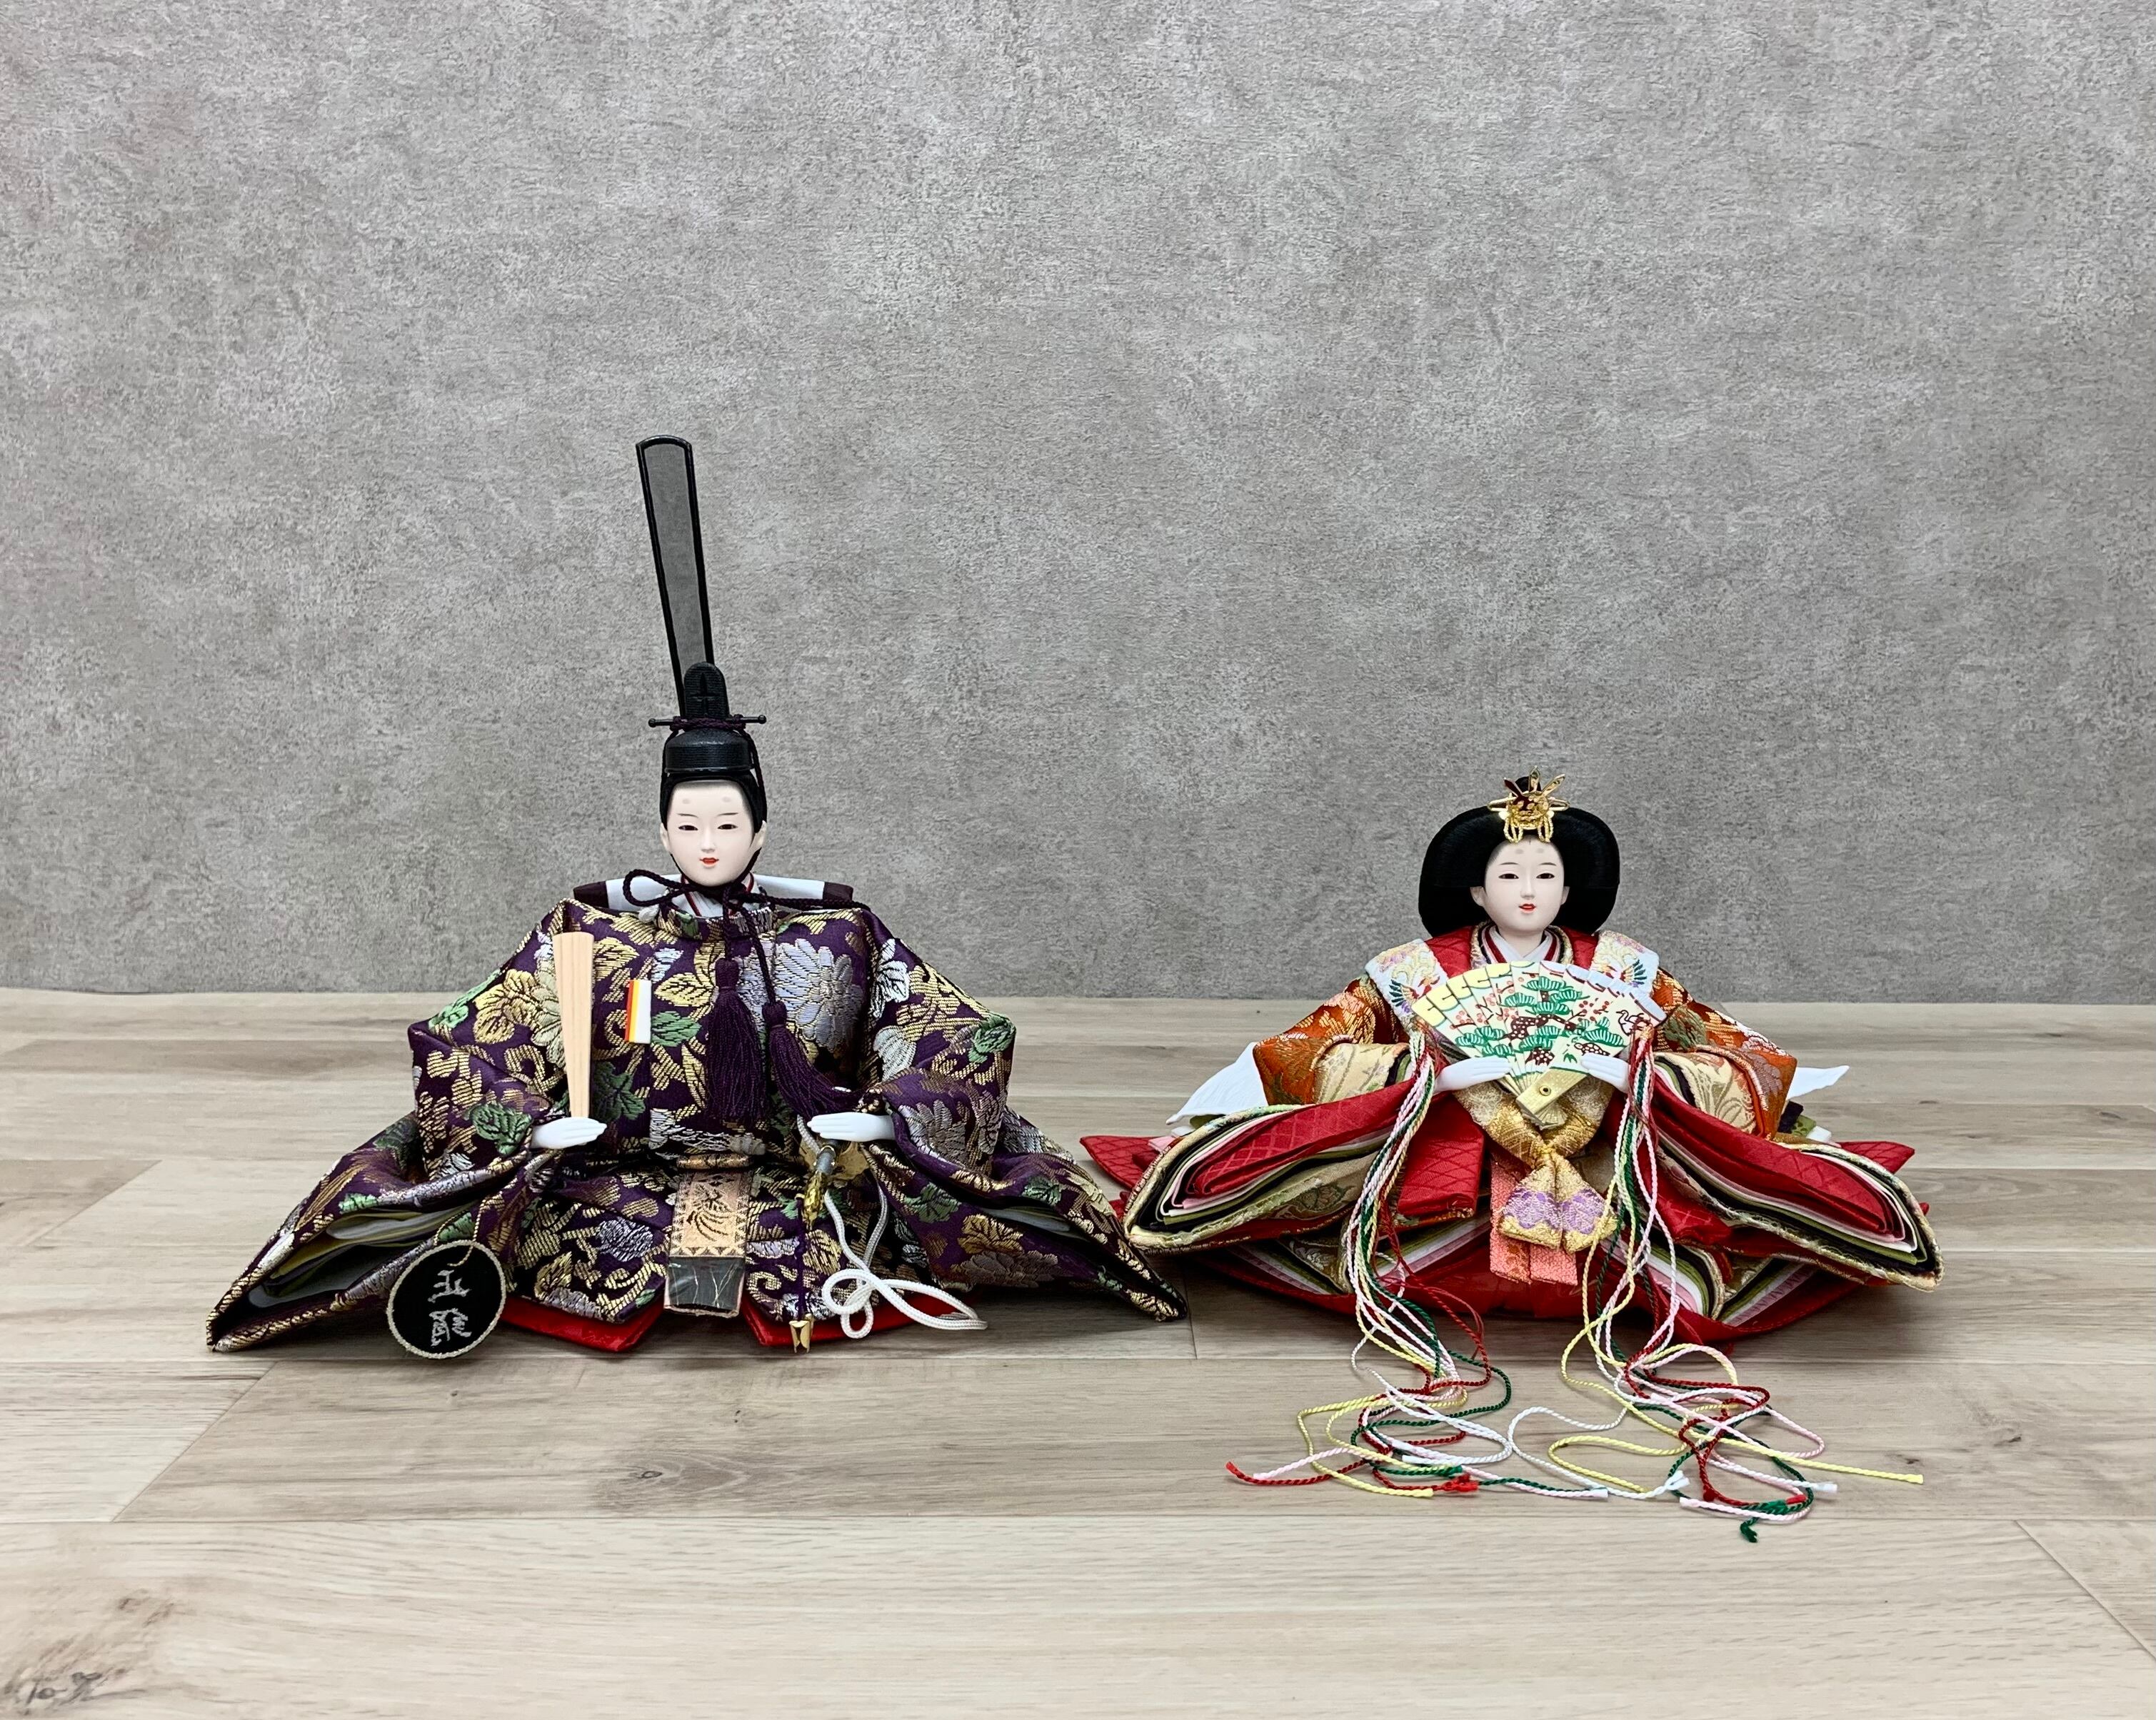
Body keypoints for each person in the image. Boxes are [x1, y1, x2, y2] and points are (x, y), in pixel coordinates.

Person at [210, 439, 1182, 1359]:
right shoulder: (589, 930)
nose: (707, 842)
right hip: (605, 1184)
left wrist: (891, 1119)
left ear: (761, 827)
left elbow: (947, 1031)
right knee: (535, 1227)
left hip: (812, 1183)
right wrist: (530, 1122)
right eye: (688, 823)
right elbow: (473, 1038)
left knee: (866, 1227)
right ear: (662, 828)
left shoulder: (838, 931)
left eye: (727, 822)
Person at [1084, 773, 1940, 1345]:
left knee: (1676, 1194)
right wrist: (1433, 1078)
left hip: (1605, 1145)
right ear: (1474, 888)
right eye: (1509, 875)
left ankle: (1619, 1256)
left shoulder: (1624, 968)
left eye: (1545, 876)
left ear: (1570, 888)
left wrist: (1632, 1077)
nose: (1528, 891)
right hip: (1451, 1148)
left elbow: (1731, 1054)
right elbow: (1306, 1053)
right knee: (1378, 1225)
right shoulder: (1411, 970)